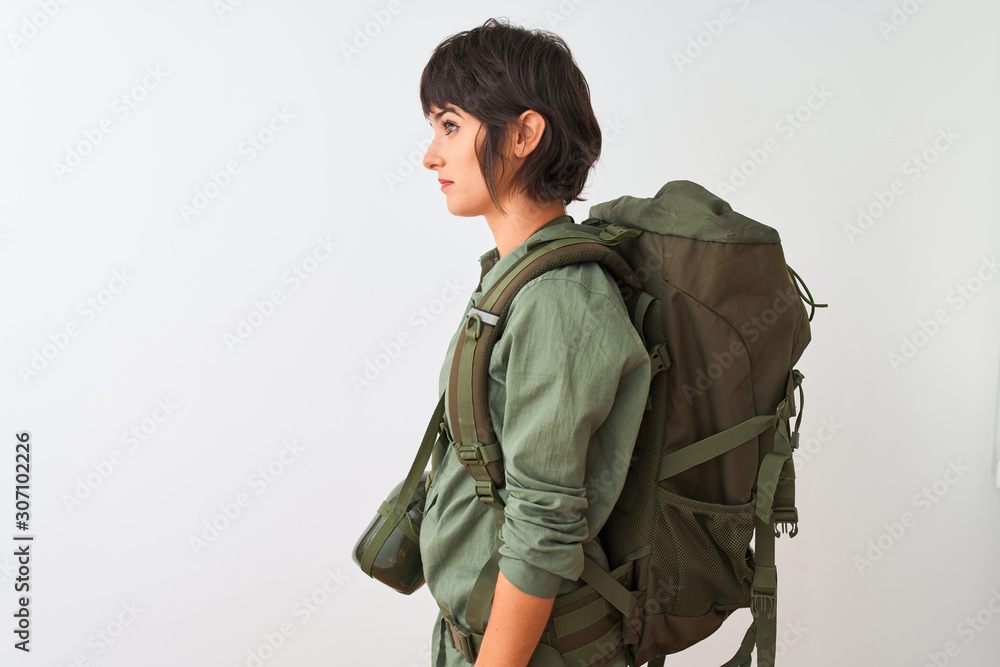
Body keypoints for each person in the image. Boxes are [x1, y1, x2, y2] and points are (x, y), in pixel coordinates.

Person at [416, 19, 651, 667]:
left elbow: (543, 527)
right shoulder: (515, 279)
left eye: (450, 125)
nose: (431, 155)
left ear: (523, 134)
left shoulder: (558, 298)